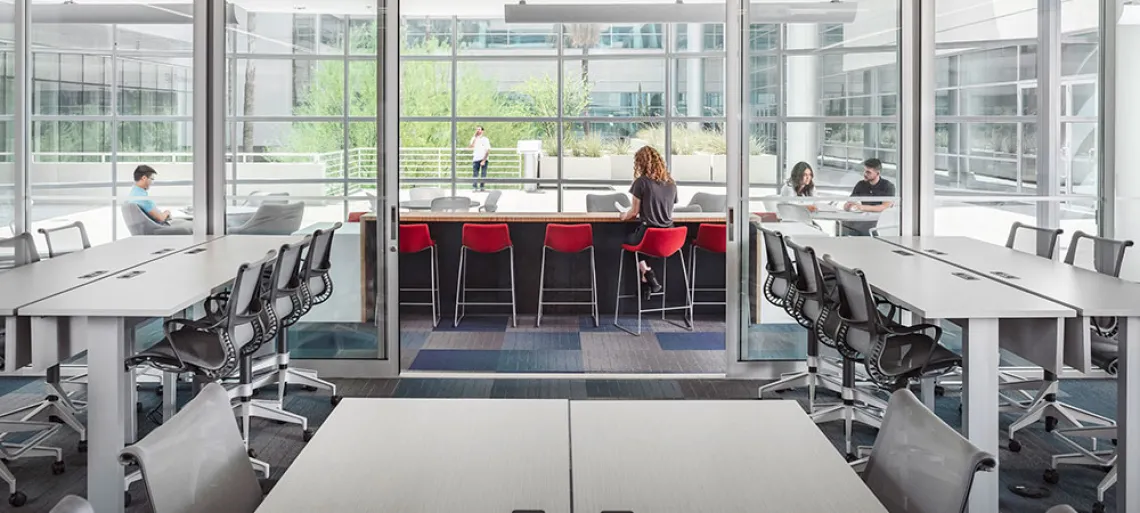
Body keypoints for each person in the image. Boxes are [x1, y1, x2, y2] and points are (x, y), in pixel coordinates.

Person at [619, 146, 677, 299]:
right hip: (669, 236)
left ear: (640, 163)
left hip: (649, 234)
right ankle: (645, 279)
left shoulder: (641, 182)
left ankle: (648, 272)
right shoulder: (671, 183)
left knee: (628, 244)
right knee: (640, 246)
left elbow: (634, 212)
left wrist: (623, 216)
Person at [842, 158, 895, 235]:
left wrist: (862, 207)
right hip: (864, 218)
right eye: (864, 171)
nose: (865, 174)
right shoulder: (861, 184)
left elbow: (885, 207)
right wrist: (848, 206)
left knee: (860, 228)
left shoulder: (888, 186)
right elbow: (850, 202)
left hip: (880, 220)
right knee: (842, 224)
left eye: (868, 172)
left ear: (877, 173)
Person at [467, 126, 491, 191]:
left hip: (484, 158)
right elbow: (471, 146)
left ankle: (482, 187)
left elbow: (488, 150)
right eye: (477, 129)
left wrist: (484, 160)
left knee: (483, 174)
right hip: (476, 158)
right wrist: (475, 137)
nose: (478, 131)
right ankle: (474, 187)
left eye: (479, 129)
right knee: (475, 174)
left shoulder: (485, 139)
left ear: (482, 131)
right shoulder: (473, 138)